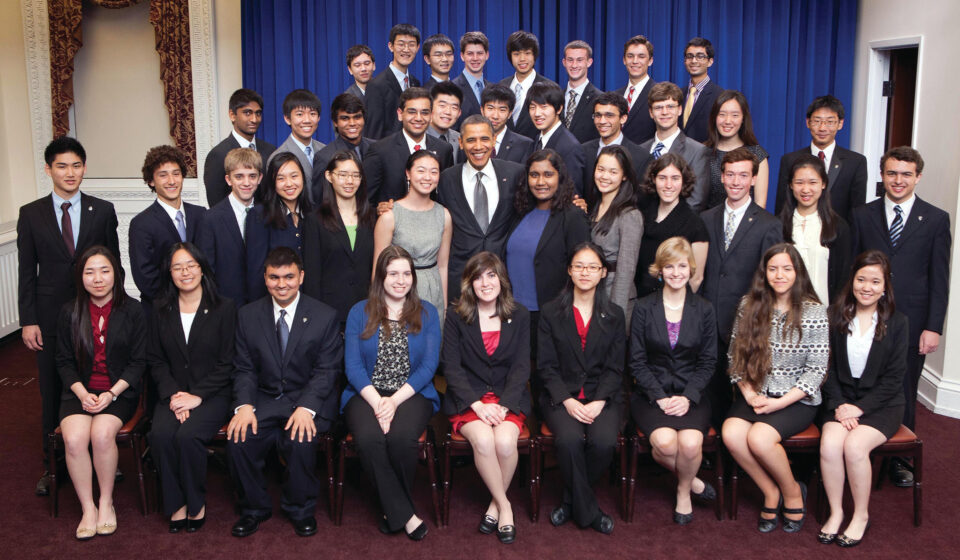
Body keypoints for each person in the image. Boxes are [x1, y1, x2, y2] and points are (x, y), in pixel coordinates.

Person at [18, 137, 120, 496]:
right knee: (52, 387)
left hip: (96, 312)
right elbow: (26, 270)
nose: (70, 172)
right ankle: (53, 464)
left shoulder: (102, 210)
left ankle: (103, 454)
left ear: (85, 168)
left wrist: (118, 308)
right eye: (62, 166)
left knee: (97, 378)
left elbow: (113, 266)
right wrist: (28, 319)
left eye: (76, 165)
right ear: (49, 170)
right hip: (48, 315)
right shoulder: (31, 214)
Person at [850, 146, 950, 486]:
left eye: (906, 174)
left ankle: (897, 459)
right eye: (892, 173)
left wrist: (933, 327)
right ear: (882, 175)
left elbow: (940, 278)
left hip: (913, 320)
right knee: (865, 381)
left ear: (918, 177)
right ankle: (861, 446)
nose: (898, 180)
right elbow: (852, 270)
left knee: (904, 388)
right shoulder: (862, 215)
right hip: (866, 316)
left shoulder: (936, 219)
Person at [227, 247, 342, 538]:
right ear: (265, 279)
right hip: (264, 399)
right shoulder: (247, 316)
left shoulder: (324, 316)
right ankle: (253, 509)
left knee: (300, 440)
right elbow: (244, 369)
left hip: (306, 399)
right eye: (274, 277)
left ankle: (300, 510)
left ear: (301, 277)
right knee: (239, 439)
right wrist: (244, 407)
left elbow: (327, 371)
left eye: (289, 276)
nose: (282, 284)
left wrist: (306, 407)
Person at [722, 243, 829, 534]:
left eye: (786, 268)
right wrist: (749, 394)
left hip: (796, 399)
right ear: (764, 273)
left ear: (797, 273)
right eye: (773, 269)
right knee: (731, 433)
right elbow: (734, 356)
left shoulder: (814, 312)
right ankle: (770, 491)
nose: (779, 275)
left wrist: (778, 403)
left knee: (759, 438)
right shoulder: (749, 304)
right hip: (755, 392)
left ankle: (793, 490)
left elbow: (816, 370)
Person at [342, 246, 441, 540]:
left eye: (406, 273)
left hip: (412, 392)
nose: (401, 280)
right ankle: (403, 513)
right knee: (369, 438)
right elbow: (353, 366)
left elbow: (429, 365)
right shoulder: (358, 311)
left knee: (400, 438)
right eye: (393, 273)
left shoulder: (428, 312)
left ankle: (390, 509)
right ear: (380, 277)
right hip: (365, 392)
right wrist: (378, 402)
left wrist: (394, 402)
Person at [818, 250, 908, 547]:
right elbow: (825, 369)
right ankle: (835, 512)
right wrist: (842, 405)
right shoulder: (834, 315)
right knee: (831, 444)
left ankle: (860, 515)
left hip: (882, 404)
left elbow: (894, 380)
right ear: (852, 280)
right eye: (861, 279)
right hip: (842, 399)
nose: (866, 287)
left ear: (885, 287)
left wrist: (859, 408)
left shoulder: (898, 323)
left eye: (875, 281)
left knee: (855, 447)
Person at [56, 246, 145, 540]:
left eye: (104, 271)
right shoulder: (70, 312)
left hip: (119, 391)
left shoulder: (133, 310)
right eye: (90, 271)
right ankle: (88, 508)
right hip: (79, 391)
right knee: (74, 438)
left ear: (116, 274)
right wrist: (82, 393)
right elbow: (64, 362)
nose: (98, 278)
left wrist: (112, 393)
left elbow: (138, 361)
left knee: (102, 434)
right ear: (80, 276)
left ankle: (106, 502)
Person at [441, 252, 530, 544]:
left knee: (504, 442)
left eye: (491, 275)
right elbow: (451, 368)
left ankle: (493, 505)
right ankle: (505, 507)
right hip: (468, 401)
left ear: (501, 280)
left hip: (508, 399)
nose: (485, 282)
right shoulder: (455, 316)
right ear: (469, 283)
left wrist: (504, 404)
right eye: (478, 277)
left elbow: (521, 366)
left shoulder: (519, 315)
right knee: (483, 440)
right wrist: (477, 405)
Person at [537, 242, 625, 534]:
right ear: (569, 271)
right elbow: (546, 366)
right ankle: (589, 512)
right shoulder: (550, 313)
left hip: (603, 397)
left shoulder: (614, 314)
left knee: (603, 442)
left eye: (592, 267)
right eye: (579, 266)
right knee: (569, 440)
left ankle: (570, 501)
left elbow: (615, 368)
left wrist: (599, 401)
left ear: (603, 273)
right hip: (561, 397)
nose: (585, 272)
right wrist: (567, 400)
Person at [147, 242, 235, 534]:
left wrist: (196, 396)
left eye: (191, 265)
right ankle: (176, 503)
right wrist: (175, 395)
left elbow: (228, 362)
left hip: (211, 393)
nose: (185, 272)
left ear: (202, 268)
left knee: (187, 436)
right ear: (169, 272)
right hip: (172, 393)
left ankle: (196, 503)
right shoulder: (160, 309)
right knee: (159, 434)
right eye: (177, 267)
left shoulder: (224, 308)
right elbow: (156, 360)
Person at [629, 237, 717, 524]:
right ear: (660, 270)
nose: (676, 273)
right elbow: (637, 362)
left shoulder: (704, 308)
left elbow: (708, 362)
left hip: (692, 396)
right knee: (666, 444)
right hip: (651, 396)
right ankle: (695, 483)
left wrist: (688, 396)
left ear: (690, 268)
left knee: (691, 444)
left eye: (682, 266)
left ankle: (682, 492)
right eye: (669, 266)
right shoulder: (643, 307)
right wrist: (660, 396)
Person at [700, 147, 783, 426]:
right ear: (721, 177)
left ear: (754, 179)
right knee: (711, 390)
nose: (736, 181)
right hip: (709, 318)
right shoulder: (706, 219)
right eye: (731, 175)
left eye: (743, 175)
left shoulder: (769, 224)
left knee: (741, 394)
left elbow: (770, 279)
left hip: (746, 321)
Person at [505, 149, 591, 355]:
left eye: (548, 174)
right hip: (513, 313)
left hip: (552, 314)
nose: (540, 181)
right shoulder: (520, 211)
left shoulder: (573, 215)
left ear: (560, 177)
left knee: (544, 378)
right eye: (534, 175)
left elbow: (581, 269)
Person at [437, 115, 525, 302]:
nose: (478, 146)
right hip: (460, 279)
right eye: (471, 140)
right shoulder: (446, 178)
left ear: (494, 140)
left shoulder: (515, 173)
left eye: (484, 139)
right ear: (460, 143)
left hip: (502, 278)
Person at [374, 150, 452, 323]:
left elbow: (443, 265)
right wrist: (378, 306)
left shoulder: (443, 215)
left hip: (433, 292)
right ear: (408, 174)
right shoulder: (390, 215)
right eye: (421, 170)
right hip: (398, 291)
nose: (428, 177)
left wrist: (444, 306)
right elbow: (377, 268)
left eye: (434, 172)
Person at [129, 145, 206, 316]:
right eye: (163, 175)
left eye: (176, 173)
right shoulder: (141, 224)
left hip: (202, 308)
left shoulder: (201, 215)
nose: (171, 181)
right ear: (151, 181)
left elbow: (209, 263)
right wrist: (180, 303)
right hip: (162, 311)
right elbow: (145, 277)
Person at [302, 152, 376, 329]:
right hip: (330, 314)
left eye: (355, 175)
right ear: (329, 176)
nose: (349, 181)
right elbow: (312, 276)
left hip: (367, 311)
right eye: (342, 175)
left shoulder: (373, 217)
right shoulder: (315, 220)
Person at [775, 95, 868, 222]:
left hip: (838, 236)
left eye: (830, 122)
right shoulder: (790, 160)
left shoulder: (856, 162)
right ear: (808, 123)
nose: (822, 128)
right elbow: (782, 206)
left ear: (840, 124)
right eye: (817, 121)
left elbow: (857, 210)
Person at [778, 154, 853, 305]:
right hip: (784, 314)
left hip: (824, 316)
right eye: (799, 182)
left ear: (823, 184)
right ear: (791, 185)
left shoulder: (838, 227)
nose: (806, 189)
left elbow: (843, 278)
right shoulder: (777, 225)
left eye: (813, 182)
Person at [634, 154, 708, 299]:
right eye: (662, 178)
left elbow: (696, 278)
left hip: (673, 303)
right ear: (654, 179)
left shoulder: (695, 224)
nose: (668, 185)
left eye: (675, 178)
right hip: (640, 299)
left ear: (684, 181)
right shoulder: (642, 213)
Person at [364, 87, 454, 204]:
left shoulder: (444, 149)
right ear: (400, 114)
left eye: (424, 113)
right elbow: (364, 200)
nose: (418, 118)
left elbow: (447, 196)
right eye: (412, 112)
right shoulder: (380, 151)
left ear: (431, 116)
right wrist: (379, 210)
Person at [196, 147, 261, 306]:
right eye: (239, 177)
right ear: (228, 179)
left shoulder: (267, 215)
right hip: (225, 305)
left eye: (252, 176)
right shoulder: (210, 219)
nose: (246, 183)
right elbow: (207, 271)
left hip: (261, 305)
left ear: (260, 178)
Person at [245, 152, 312, 301]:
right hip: (273, 302)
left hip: (307, 303)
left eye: (294, 176)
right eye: (281, 178)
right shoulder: (260, 215)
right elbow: (256, 270)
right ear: (272, 183)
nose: (289, 183)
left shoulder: (311, 213)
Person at [589, 145, 643, 322]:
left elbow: (626, 269)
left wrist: (615, 313)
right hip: (592, 295)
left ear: (624, 175)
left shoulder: (629, 215)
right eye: (601, 169)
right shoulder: (594, 207)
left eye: (613, 172)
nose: (604, 176)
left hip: (615, 299)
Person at [639, 82, 710, 212]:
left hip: (678, 228)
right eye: (658, 107)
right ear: (650, 112)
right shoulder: (640, 150)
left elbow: (696, 202)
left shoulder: (698, 152)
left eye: (670, 106)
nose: (665, 112)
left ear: (680, 110)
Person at [203, 88, 276, 207]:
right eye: (247, 113)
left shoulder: (271, 150)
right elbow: (216, 203)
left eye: (258, 113)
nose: (254, 119)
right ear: (232, 115)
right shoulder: (218, 154)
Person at [581, 92, 651, 208]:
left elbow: (642, 202)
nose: (602, 121)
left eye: (609, 115)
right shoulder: (583, 151)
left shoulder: (641, 157)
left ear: (623, 118)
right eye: (598, 115)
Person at [704, 90, 770, 209]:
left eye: (735, 115)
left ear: (743, 118)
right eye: (722, 114)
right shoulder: (702, 152)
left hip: (746, 225)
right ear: (714, 117)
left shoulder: (757, 154)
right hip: (707, 224)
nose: (727, 121)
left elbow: (760, 204)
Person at [310, 93, 375, 202]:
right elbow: (319, 202)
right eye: (345, 118)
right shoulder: (324, 158)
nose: (352, 123)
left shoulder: (377, 148)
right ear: (335, 122)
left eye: (357, 117)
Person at [499, 30, 559, 141]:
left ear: (534, 55)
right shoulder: (501, 86)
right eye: (516, 54)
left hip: (536, 152)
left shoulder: (550, 88)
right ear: (510, 56)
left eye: (527, 53)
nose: (522, 59)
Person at [268, 89, 325, 204]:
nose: (307, 120)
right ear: (287, 119)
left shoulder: (325, 150)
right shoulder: (278, 156)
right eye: (299, 114)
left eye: (312, 114)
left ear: (318, 118)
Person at [528, 82, 587, 195]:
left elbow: (572, 194)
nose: (537, 113)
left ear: (559, 109)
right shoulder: (537, 139)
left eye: (543, 107)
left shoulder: (570, 147)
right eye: (532, 107)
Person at [366, 24, 422, 139]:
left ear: (417, 47)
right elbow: (373, 133)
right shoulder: (376, 85)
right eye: (401, 44)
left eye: (411, 45)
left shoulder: (415, 83)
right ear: (391, 46)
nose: (406, 49)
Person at [679, 38, 723, 144]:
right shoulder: (678, 94)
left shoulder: (720, 96)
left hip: (707, 157)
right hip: (677, 158)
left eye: (700, 56)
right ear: (685, 61)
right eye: (689, 56)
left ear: (710, 61)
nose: (694, 61)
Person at [615, 35, 657, 145]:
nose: (635, 61)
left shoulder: (658, 94)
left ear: (650, 61)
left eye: (641, 56)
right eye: (630, 56)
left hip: (645, 159)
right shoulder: (615, 96)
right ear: (624, 60)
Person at [560, 40, 601, 143]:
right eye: (570, 60)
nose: (574, 65)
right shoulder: (556, 97)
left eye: (579, 60)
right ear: (564, 62)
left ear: (589, 62)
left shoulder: (600, 99)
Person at [481, 84, 534, 163]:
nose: (495, 116)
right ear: (482, 110)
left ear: (510, 113)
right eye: (490, 108)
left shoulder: (525, 145)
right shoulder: (470, 142)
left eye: (502, 110)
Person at [452, 31, 492, 129]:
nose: (475, 58)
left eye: (479, 53)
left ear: (487, 55)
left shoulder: (492, 88)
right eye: (470, 53)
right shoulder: (452, 89)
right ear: (462, 56)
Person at [427, 81, 463, 162]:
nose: (448, 112)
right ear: (430, 106)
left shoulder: (460, 140)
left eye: (454, 107)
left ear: (459, 113)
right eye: (442, 105)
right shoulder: (419, 137)